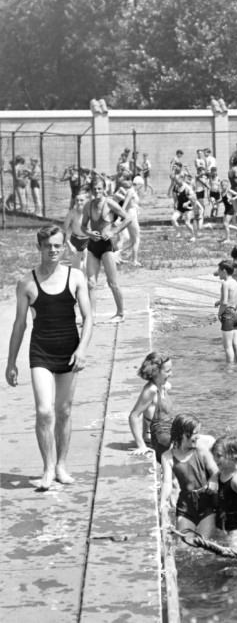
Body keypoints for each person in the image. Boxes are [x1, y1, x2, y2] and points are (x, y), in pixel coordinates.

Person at [6, 226, 93, 489]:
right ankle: (46, 469)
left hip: (69, 350)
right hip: (41, 350)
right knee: (44, 411)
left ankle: (61, 466)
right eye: (48, 246)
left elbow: (89, 318)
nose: (53, 250)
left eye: (57, 245)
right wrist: (10, 362)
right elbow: (19, 325)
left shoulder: (75, 277)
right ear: (39, 248)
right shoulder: (26, 283)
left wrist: (82, 349)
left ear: (64, 246)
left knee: (63, 411)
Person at [160, 413, 217, 538]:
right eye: (195, 433)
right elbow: (167, 483)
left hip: (206, 504)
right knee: (184, 545)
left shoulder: (201, 449)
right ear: (183, 434)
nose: (198, 437)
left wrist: (214, 481)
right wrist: (163, 502)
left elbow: (215, 471)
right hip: (185, 506)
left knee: (203, 543)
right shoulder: (167, 457)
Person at [81, 175, 129, 321]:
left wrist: (113, 231)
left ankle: (120, 313)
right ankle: (91, 317)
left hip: (106, 247)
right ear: (91, 190)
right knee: (90, 283)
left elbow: (127, 218)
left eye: (99, 188)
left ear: (104, 189)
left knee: (112, 283)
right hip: (93, 246)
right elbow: (83, 226)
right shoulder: (88, 206)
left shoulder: (110, 203)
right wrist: (89, 232)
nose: (97, 191)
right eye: (94, 189)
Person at [128, 351, 174, 460]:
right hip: (158, 439)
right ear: (155, 372)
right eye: (167, 371)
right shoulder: (151, 390)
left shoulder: (165, 386)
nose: (171, 374)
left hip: (166, 434)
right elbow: (133, 416)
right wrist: (141, 445)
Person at [215, 259, 237, 363]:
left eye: (219, 270)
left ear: (224, 271)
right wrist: (233, 306)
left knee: (228, 347)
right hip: (236, 313)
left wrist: (220, 313)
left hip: (228, 315)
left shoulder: (225, 284)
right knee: (236, 344)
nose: (218, 273)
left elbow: (225, 302)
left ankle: (229, 371)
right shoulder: (235, 282)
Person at [62, 192, 90, 271]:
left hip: (88, 240)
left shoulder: (90, 212)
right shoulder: (72, 213)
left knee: (85, 264)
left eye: (81, 200)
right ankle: (77, 280)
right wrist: (69, 245)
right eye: (77, 200)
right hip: (75, 240)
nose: (79, 202)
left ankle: (86, 282)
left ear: (87, 201)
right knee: (75, 268)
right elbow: (64, 230)